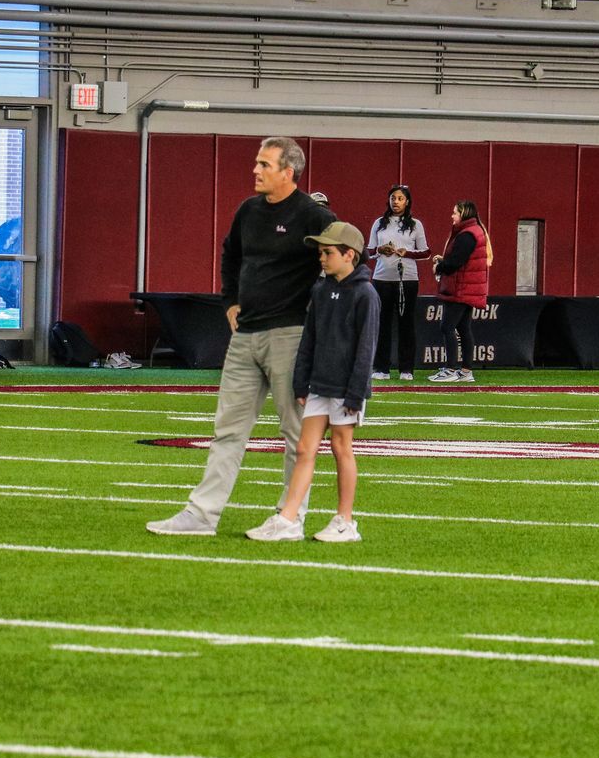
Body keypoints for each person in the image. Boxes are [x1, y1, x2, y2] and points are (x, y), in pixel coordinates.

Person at [147, 136, 335, 536]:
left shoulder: (312, 215)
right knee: (227, 429)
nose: (255, 170)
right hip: (245, 335)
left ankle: (291, 517)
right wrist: (229, 300)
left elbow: (350, 255)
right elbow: (230, 254)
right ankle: (202, 515)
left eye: (264, 164)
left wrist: (324, 309)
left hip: (291, 335)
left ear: (289, 172)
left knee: (295, 432)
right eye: (257, 163)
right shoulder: (248, 211)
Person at [247, 221, 379, 543]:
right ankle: (289, 519)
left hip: (346, 388)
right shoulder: (321, 290)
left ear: (350, 255)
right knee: (305, 448)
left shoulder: (366, 294)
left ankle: (345, 521)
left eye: (328, 252)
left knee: (340, 447)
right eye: (320, 252)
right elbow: (310, 338)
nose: (321, 258)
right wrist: (301, 382)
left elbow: (367, 348)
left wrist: (355, 392)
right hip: (319, 384)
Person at [365, 184, 428, 381]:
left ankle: (406, 369)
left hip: (407, 279)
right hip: (382, 278)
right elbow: (368, 251)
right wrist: (379, 251)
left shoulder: (415, 224)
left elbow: (426, 252)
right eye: (393, 198)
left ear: (407, 201)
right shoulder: (379, 223)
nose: (396, 202)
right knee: (382, 324)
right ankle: (381, 368)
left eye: (400, 198)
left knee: (406, 324)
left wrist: (405, 252)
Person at [428, 199, 489, 384]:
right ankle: (466, 370)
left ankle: (451, 368)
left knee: (447, 327)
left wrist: (440, 266)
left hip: (461, 288)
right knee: (463, 329)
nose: (452, 215)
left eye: (455, 212)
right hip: (469, 287)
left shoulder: (466, 235)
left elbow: (456, 262)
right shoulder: (476, 231)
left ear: (463, 214)